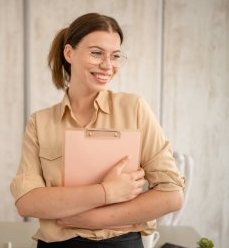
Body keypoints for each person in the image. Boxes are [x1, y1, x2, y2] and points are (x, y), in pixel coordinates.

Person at [10, 13, 185, 248]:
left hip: (121, 243)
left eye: (115, 56)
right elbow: (27, 202)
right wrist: (107, 192)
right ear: (69, 53)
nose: (107, 65)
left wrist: (90, 218)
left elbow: (171, 195)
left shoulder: (134, 109)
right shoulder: (40, 122)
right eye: (96, 53)